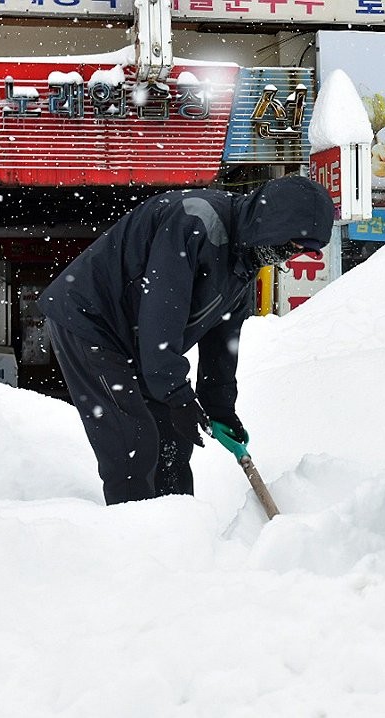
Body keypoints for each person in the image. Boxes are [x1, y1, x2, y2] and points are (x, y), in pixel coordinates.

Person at [40, 175, 335, 505]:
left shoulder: (244, 258)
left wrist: (219, 407)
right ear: (272, 223)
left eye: (306, 251)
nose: (291, 256)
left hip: (137, 335)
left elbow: (223, 338)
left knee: (174, 442)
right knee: (133, 442)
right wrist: (174, 391)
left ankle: (180, 537)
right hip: (91, 318)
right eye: (294, 244)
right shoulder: (196, 220)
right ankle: (131, 543)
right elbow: (162, 309)